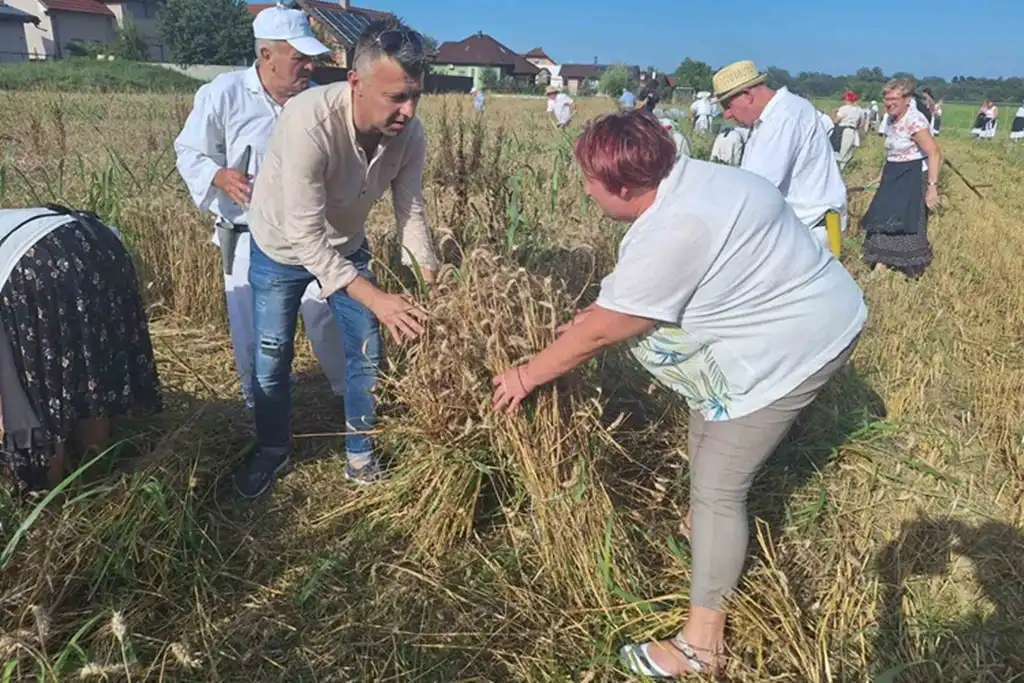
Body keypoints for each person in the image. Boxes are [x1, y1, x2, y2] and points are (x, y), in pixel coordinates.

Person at [491, 112, 866, 677]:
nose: (587, 193)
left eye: (589, 184)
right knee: (706, 434)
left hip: (792, 349)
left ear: (619, 186)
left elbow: (600, 333)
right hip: (806, 312)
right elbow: (637, 300)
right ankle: (705, 538)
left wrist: (525, 376)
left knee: (719, 487)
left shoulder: (675, 227)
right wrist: (603, 311)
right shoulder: (704, 179)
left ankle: (701, 645)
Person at [238, 18, 439, 498]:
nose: (408, 111)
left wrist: (433, 283)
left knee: (367, 354)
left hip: (346, 245)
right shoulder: (307, 121)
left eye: (415, 96)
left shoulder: (409, 134)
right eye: (396, 98)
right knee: (271, 357)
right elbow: (304, 235)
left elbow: (410, 211)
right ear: (355, 83)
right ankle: (272, 449)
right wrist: (379, 298)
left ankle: (360, 454)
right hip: (281, 247)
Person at [174, 5, 348, 410]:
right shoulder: (224, 92)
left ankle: (347, 390)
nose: (308, 67)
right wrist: (219, 176)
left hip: (309, 232)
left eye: (310, 59)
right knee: (252, 325)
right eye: (299, 58)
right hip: (246, 235)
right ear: (266, 55)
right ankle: (259, 401)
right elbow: (188, 150)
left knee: (323, 310)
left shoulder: (315, 101)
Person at [0, 206, 162, 494]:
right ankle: (96, 480)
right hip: (97, 244)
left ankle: (46, 504)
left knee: (40, 400)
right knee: (91, 374)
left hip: (36, 264)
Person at [713, 60, 848, 248]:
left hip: (805, 232)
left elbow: (758, 187)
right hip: (797, 228)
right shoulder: (778, 114)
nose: (726, 115)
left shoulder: (783, 118)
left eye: (728, 105)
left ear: (747, 95)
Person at [861, 78, 942, 279]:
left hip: (913, 173)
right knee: (882, 215)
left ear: (907, 99)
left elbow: (934, 153)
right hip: (893, 172)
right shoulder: (890, 119)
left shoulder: (914, 121)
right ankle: (881, 262)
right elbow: (891, 152)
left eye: (894, 99)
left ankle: (908, 267)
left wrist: (932, 187)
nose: (889, 104)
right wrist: (881, 176)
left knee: (907, 219)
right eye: (886, 99)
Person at [832, 90, 863, 171]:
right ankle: (843, 169)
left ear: (846, 99)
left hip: (843, 131)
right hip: (854, 131)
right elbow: (861, 123)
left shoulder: (843, 108)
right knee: (848, 153)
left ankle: (838, 171)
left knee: (839, 152)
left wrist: (834, 113)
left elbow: (836, 121)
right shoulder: (859, 110)